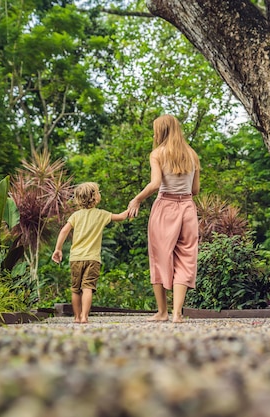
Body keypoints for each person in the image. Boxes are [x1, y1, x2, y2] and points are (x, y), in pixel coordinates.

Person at [127, 114, 201, 323]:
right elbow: (195, 190)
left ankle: (162, 312)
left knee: (160, 257)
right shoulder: (192, 154)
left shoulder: (157, 153)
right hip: (187, 207)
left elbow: (155, 183)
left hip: (164, 208)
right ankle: (178, 313)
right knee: (186, 258)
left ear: (161, 131)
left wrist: (137, 199)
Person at [52, 182, 128, 324]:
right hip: (92, 259)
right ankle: (84, 317)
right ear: (95, 198)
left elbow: (64, 230)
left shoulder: (75, 216)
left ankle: (76, 317)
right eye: (98, 192)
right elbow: (122, 217)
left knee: (75, 289)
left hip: (75, 258)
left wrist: (58, 249)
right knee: (87, 287)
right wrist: (132, 206)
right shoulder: (101, 214)